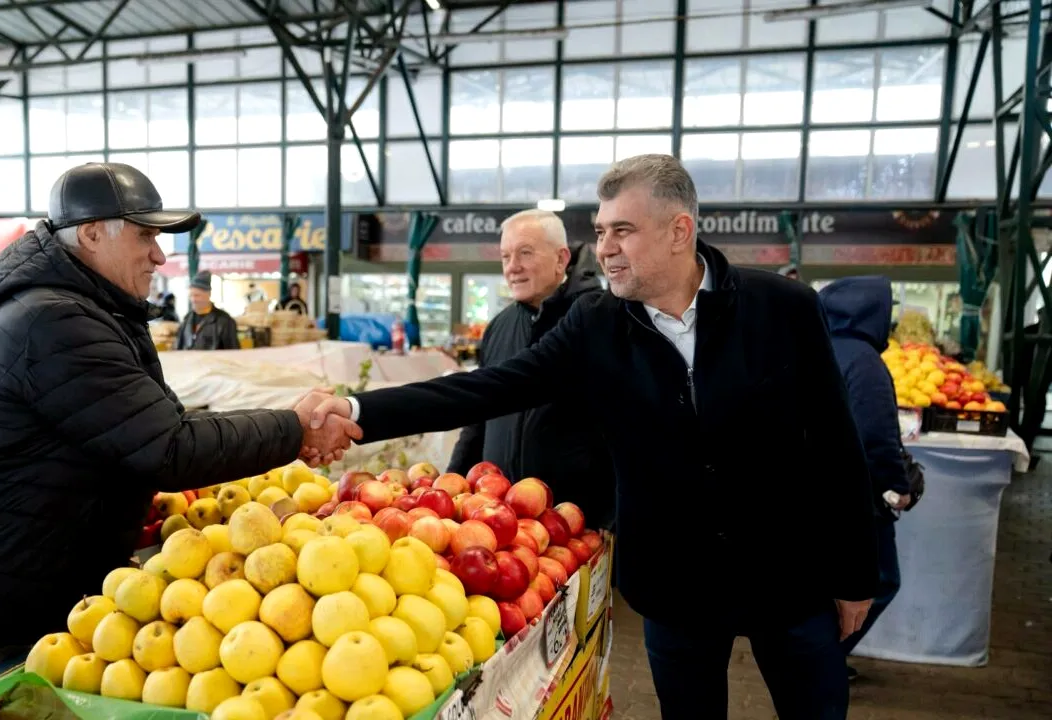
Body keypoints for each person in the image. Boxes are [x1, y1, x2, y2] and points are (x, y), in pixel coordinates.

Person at [303, 154, 877, 719]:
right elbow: (486, 389)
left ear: (679, 231)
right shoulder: (597, 324)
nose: (604, 249)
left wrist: (855, 574)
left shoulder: (783, 308)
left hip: (789, 576)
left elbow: (836, 444)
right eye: (601, 232)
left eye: (623, 231)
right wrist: (355, 410)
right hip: (675, 587)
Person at [0, 162, 359, 659]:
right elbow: (169, 448)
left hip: (17, 583)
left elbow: (166, 426)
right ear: (91, 233)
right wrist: (294, 430)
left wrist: (290, 424)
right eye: (145, 235)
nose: (160, 255)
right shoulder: (55, 322)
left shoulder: (92, 313)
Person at [447, 209, 614, 529]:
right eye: (505, 256)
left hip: (577, 521)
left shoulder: (599, 321)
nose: (513, 267)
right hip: (499, 523)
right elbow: (477, 418)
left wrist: (612, 519)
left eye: (525, 253)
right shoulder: (499, 327)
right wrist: (450, 485)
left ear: (561, 258)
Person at [818, 276, 910, 680]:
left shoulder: (815, 347)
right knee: (882, 580)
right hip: (860, 498)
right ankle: (824, 659)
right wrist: (896, 487)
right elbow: (876, 434)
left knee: (825, 586)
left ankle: (815, 658)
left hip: (816, 493)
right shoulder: (865, 362)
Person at [175, 271, 240, 351]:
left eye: (197, 295)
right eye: (191, 295)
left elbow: (233, 352)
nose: (193, 300)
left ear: (209, 294)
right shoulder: (187, 319)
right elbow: (178, 348)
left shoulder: (225, 321)